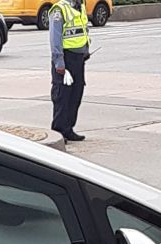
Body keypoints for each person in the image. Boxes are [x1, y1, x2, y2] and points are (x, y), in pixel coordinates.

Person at [49, 0, 90, 143]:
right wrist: (59, 62)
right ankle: (58, 132)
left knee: (76, 93)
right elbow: (55, 38)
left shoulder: (80, 6)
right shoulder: (59, 10)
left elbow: (83, 30)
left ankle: (68, 129)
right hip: (65, 58)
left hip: (78, 58)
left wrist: (85, 50)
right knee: (62, 96)